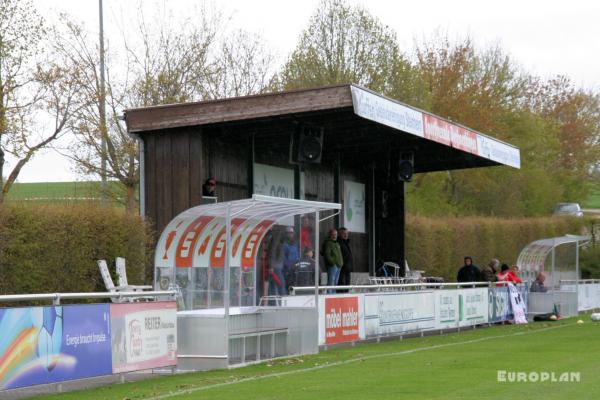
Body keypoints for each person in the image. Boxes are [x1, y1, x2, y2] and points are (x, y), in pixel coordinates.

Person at [322, 228, 343, 293]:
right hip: (333, 266)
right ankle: (329, 296)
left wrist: (341, 263)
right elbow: (327, 255)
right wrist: (333, 263)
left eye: (336, 234)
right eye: (333, 234)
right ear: (330, 235)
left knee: (335, 283)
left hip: (339, 266)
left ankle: (334, 296)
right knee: (331, 282)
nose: (334, 236)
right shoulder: (328, 243)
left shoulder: (336, 243)